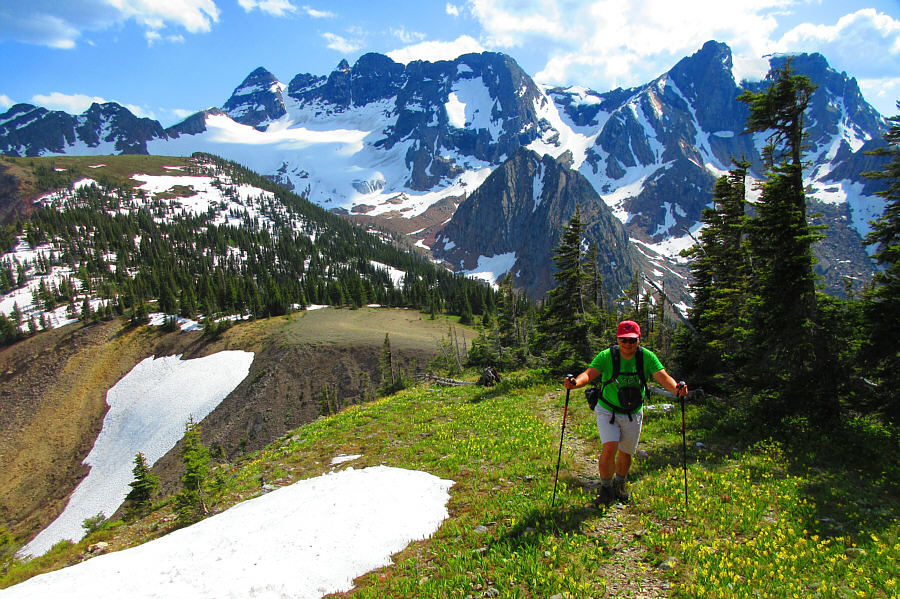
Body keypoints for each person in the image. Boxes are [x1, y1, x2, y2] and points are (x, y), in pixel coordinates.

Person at [564, 320, 688, 506]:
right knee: (610, 447)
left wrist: (677, 389)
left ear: (638, 340)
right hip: (608, 410)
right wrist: (575, 383)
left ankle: (620, 483)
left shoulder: (646, 357)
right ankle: (606, 489)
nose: (627, 344)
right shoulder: (607, 356)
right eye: (624, 340)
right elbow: (589, 374)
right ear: (617, 339)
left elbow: (663, 377)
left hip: (633, 412)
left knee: (626, 452)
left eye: (632, 340)